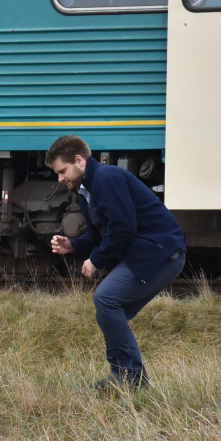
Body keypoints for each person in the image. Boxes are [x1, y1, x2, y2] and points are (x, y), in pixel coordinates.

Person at [46, 134, 186, 392]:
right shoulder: (86, 188)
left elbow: (122, 228)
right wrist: (74, 246)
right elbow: (101, 233)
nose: (60, 179)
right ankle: (130, 377)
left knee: (106, 299)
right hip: (149, 253)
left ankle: (128, 376)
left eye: (62, 171)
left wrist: (96, 259)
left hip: (160, 254)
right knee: (110, 308)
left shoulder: (107, 179)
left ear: (79, 160)